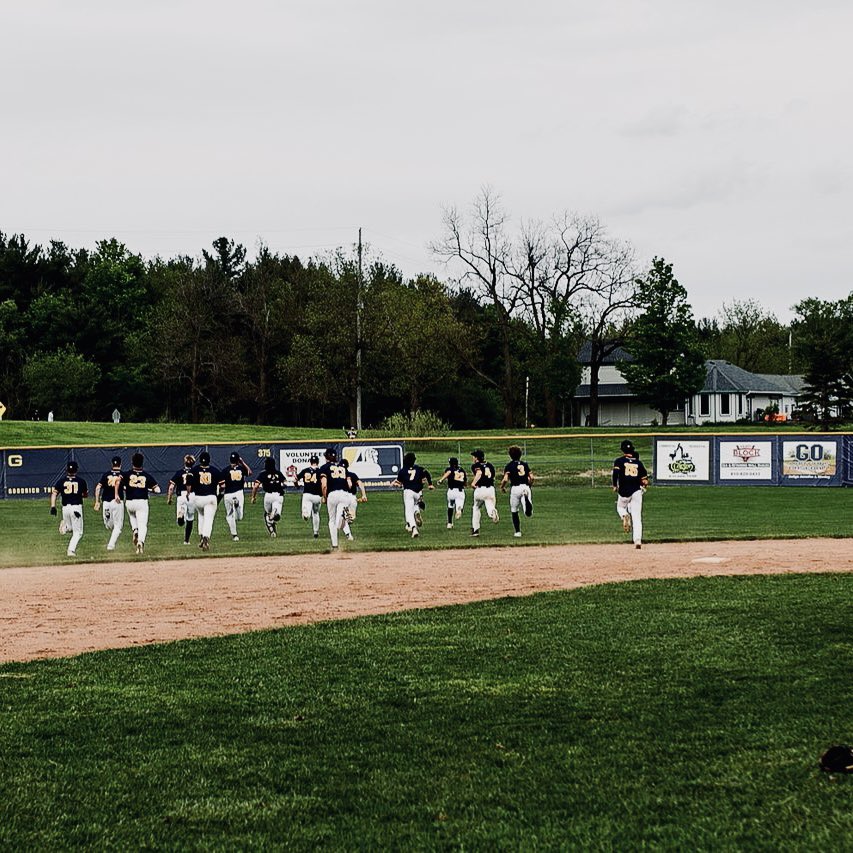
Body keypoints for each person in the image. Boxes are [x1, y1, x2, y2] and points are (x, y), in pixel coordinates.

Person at [121, 452, 161, 555]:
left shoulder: (126, 474)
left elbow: (120, 484)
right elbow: (158, 490)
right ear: (142, 463)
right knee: (143, 525)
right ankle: (140, 542)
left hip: (129, 502)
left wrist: (127, 488)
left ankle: (135, 530)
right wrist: (149, 489)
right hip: (142, 502)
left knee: (132, 516)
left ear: (132, 462)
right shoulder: (146, 475)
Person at [612, 439, 649, 550]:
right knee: (637, 517)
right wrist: (644, 484)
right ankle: (637, 540)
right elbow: (645, 481)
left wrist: (614, 485)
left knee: (620, 507)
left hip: (624, 491)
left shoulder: (619, 461)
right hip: (637, 491)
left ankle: (624, 515)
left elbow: (615, 474)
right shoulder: (639, 463)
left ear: (623, 450)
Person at [318, 447, 356, 549]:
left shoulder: (324, 467)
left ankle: (335, 545)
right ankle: (343, 516)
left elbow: (324, 484)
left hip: (332, 494)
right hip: (344, 494)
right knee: (339, 517)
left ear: (326, 457)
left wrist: (324, 496)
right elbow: (349, 484)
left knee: (332, 520)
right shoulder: (342, 467)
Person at [391, 451, 434, 539]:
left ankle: (414, 528)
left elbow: (400, 483)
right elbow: (427, 474)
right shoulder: (419, 468)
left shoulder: (402, 471)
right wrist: (430, 484)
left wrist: (395, 484)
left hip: (409, 492)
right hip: (418, 493)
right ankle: (417, 511)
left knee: (408, 512)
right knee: (415, 505)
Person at [50, 460, 88, 557]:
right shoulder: (81, 481)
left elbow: (54, 493)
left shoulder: (61, 481)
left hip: (65, 508)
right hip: (76, 508)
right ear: (77, 470)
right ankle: (71, 550)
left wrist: (53, 506)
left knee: (71, 528)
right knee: (78, 532)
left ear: (66, 470)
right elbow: (85, 494)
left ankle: (65, 527)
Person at [190, 450, 224, 552]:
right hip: (210, 497)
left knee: (201, 516)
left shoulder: (194, 470)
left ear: (200, 460)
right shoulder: (215, 470)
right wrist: (219, 495)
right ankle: (205, 538)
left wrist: (188, 492)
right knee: (208, 519)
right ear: (209, 460)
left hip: (198, 498)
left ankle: (201, 536)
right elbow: (223, 486)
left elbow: (188, 483)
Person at [500, 445, 534, 538]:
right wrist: (529, 485)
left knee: (514, 510)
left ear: (510, 455)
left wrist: (502, 487)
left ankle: (518, 532)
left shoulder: (509, 466)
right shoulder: (525, 464)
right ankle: (526, 503)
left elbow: (505, 479)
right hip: (525, 487)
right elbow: (532, 477)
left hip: (515, 488)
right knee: (528, 513)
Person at [93, 455, 125, 551]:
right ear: (121, 464)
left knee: (109, 526)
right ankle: (110, 546)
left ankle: (107, 515)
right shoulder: (123, 475)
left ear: (112, 464)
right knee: (118, 527)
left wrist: (97, 501)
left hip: (106, 502)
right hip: (117, 501)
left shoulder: (106, 474)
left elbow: (98, 488)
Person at [251, 456, 286, 538]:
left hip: (268, 496)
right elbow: (285, 483)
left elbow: (256, 486)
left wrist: (253, 497)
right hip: (278, 495)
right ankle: (275, 512)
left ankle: (272, 532)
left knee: (267, 515)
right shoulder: (278, 473)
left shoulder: (263, 473)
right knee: (277, 516)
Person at [167, 454, 197, 546]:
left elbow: (171, 487)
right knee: (190, 519)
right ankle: (186, 540)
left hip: (181, 496)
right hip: (192, 495)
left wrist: (169, 498)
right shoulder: (195, 472)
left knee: (180, 522)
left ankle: (181, 515)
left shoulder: (179, 472)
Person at [222, 451, 252, 542]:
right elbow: (250, 473)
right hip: (239, 493)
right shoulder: (241, 468)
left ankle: (235, 535)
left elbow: (222, 485)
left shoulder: (226, 470)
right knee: (239, 517)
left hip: (228, 494)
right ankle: (237, 506)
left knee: (230, 516)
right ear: (238, 460)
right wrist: (242, 463)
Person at [469, 448, 499, 537]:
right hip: (490, 489)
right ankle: (492, 513)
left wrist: (473, 483)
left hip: (480, 489)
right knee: (490, 505)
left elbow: (479, 473)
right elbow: (493, 477)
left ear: (477, 458)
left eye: (473, 457)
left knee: (476, 507)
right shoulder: (490, 465)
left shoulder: (475, 465)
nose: (473, 458)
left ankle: (475, 530)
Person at [340, 458, 368, 541]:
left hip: (343, 497)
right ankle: (349, 535)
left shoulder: (337, 475)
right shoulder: (352, 475)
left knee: (345, 518)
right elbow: (360, 483)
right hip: (352, 498)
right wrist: (363, 495)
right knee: (349, 518)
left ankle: (348, 533)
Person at [296, 455, 323, 539]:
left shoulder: (305, 470)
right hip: (318, 496)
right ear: (318, 462)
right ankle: (316, 532)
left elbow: (295, 479)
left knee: (306, 509)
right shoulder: (321, 471)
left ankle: (306, 513)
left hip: (307, 494)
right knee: (316, 513)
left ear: (310, 462)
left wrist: (297, 485)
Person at [437, 456, 467, 528]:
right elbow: (465, 482)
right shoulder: (462, 470)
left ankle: (449, 523)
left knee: (450, 506)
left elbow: (449, 472)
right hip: (460, 491)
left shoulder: (449, 469)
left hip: (451, 491)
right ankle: (459, 509)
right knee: (459, 504)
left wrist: (441, 480)